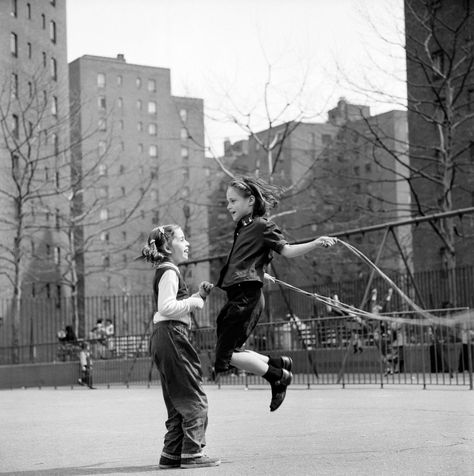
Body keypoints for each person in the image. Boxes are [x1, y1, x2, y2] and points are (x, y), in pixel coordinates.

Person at [214, 176, 337, 412]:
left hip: (246, 296)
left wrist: (316, 242)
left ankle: (277, 374)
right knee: (229, 352)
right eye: (227, 202)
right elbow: (249, 258)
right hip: (238, 294)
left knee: (224, 357)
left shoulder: (262, 225)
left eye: (233, 201)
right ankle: (277, 364)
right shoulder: (243, 227)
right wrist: (259, 271)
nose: (229, 206)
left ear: (250, 201)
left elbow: (287, 250)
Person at [142, 224, 220, 470]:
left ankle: (172, 452)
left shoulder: (166, 270)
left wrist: (198, 297)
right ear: (167, 246)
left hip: (165, 337)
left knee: (177, 398)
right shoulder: (170, 270)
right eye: (182, 239)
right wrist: (195, 301)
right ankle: (192, 452)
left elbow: (171, 305)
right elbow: (165, 308)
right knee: (192, 395)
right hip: (172, 335)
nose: (187, 244)